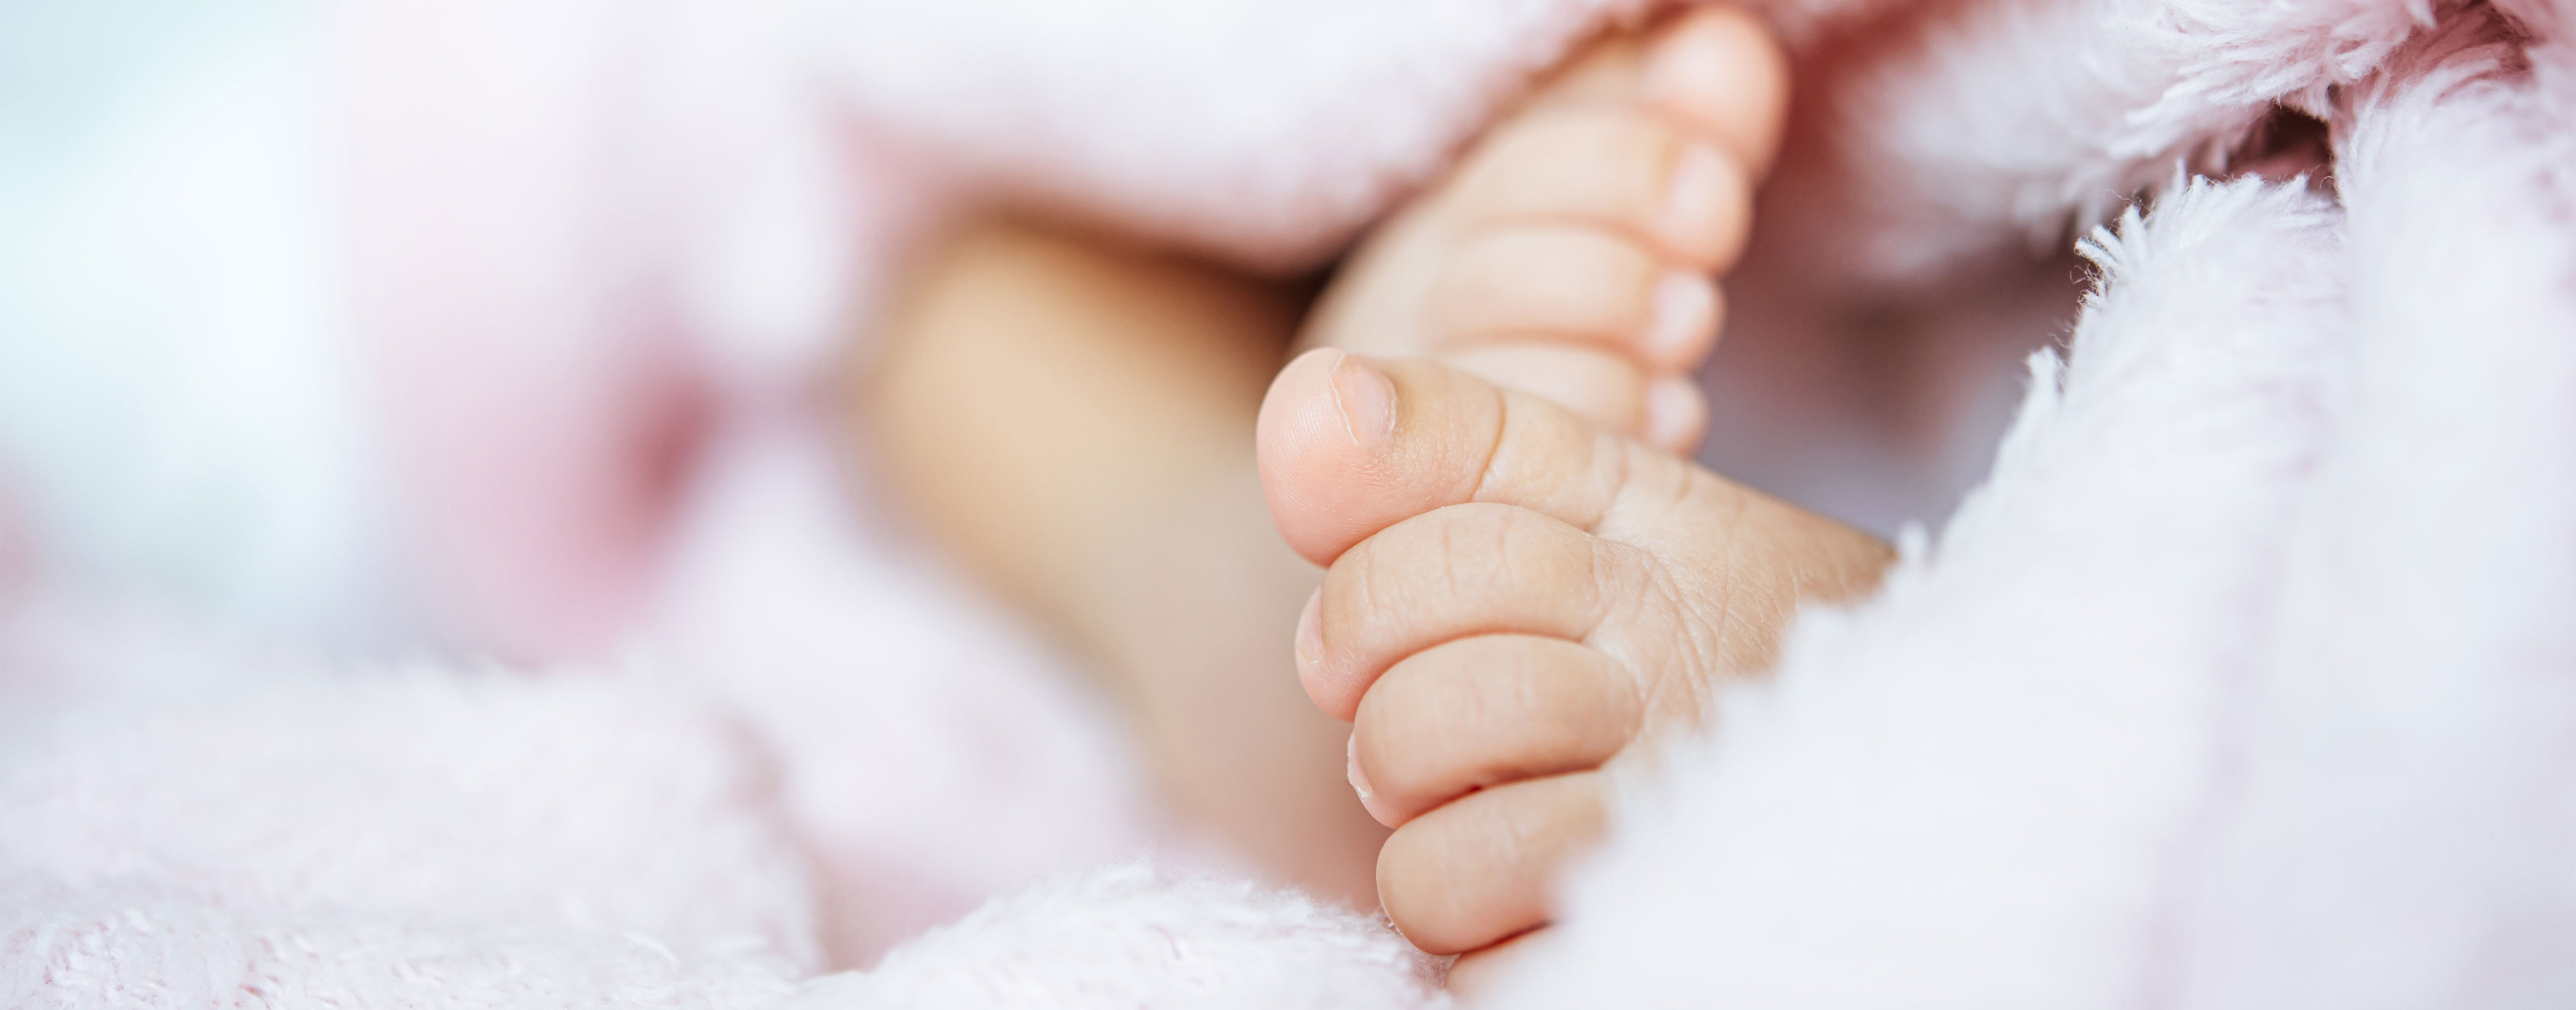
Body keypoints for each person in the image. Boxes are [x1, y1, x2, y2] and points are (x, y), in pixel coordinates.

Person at [862, 4, 1891, 979]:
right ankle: (1223, 590)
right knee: (960, 307)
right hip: (1197, 258)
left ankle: (1845, 648)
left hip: (1928, 410)